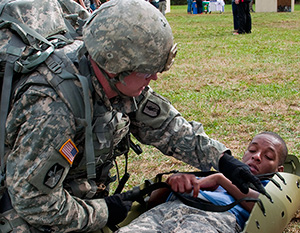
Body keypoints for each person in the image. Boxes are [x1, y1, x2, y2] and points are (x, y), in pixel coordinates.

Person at [1, 0, 266, 232]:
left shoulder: (119, 82)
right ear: (116, 67)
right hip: (24, 201)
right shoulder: (53, 108)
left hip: (69, 190)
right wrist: (103, 212)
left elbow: (169, 128)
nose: (155, 77)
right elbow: (33, 202)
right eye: (147, 70)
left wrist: (222, 159)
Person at [117, 131, 288, 232]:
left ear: (278, 170)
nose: (256, 157)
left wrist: (221, 180)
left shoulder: (268, 187)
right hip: (167, 210)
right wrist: (171, 184)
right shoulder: (210, 176)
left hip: (214, 217)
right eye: (252, 150)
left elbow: (267, 209)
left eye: (268, 156)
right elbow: (153, 202)